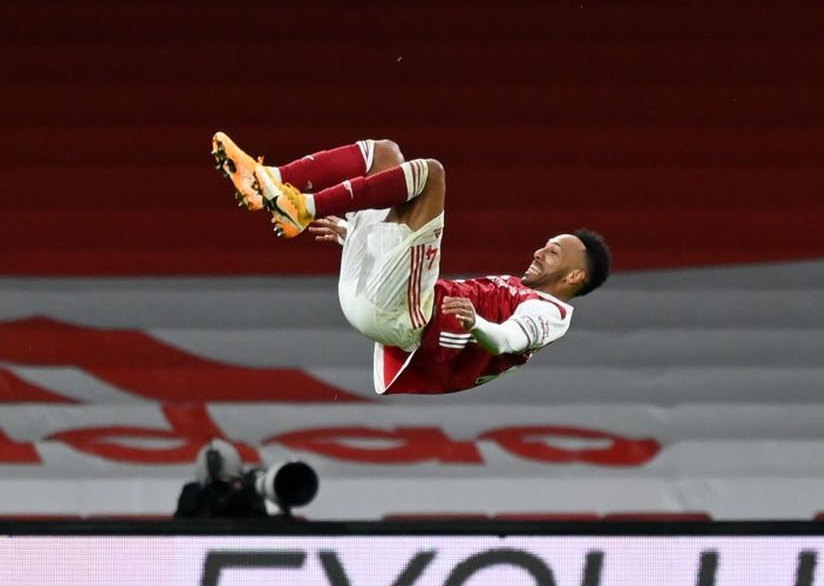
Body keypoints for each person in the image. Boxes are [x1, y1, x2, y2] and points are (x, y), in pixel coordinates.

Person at [211, 133, 611, 395]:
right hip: (373, 296)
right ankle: (266, 178)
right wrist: (352, 236)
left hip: (402, 320)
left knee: (431, 174)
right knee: (385, 153)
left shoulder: (552, 312)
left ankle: (303, 206)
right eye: (546, 246)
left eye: (554, 252)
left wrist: (475, 325)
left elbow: (506, 341)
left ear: (576, 275)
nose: (540, 252)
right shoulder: (515, 287)